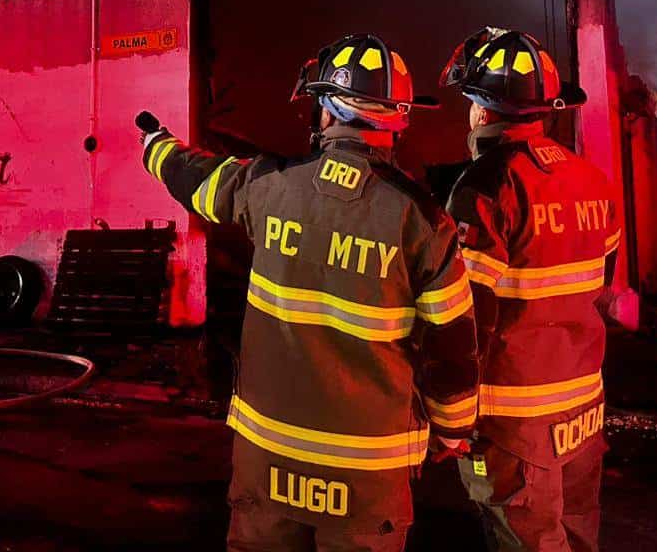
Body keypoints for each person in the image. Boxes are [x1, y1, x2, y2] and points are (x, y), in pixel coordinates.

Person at [137, 33, 479, 552]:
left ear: (326, 109)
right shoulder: (425, 222)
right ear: (398, 120)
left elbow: (196, 179)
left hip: (267, 460)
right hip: (366, 474)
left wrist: (154, 145)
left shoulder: (268, 185)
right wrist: (454, 431)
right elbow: (452, 350)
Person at [439, 29, 619, 552]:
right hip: (582, 410)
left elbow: (464, 318)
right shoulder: (591, 180)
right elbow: (599, 281)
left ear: (480, 109)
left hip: (514, 423)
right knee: (578, 535)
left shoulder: (485, 186)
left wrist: (451, 414)